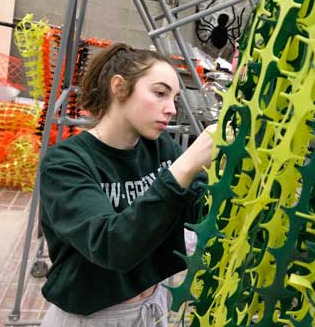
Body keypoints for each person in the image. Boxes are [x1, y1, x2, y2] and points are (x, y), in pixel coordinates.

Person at [39, 43, 216, 326]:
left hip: (152, 306)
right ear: (119, 87)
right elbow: (112, 246)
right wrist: (183, 168)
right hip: (92, 317)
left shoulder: (160, 149)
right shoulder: (66, 163)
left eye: (174, 98)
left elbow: (200, 211)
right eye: (160, 93)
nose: (171, 109)